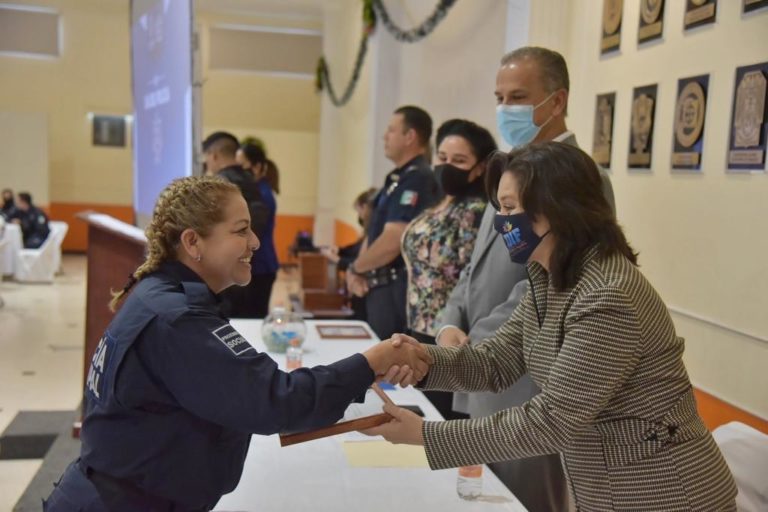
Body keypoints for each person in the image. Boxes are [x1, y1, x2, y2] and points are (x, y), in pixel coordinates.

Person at [368, 142, 738, 512]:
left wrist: (425, 434)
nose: (502, 223)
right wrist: (421, 361)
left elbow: (552, 421)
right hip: (606, 491)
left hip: (668, 494)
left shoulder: (608, 296)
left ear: (558, 209)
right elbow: (495, 362)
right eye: (500, 208)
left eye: (511, 208)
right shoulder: (550, 279)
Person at [44, 176, 431, 511]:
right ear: (193, 242)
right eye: (240, 230)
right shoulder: (178, 319)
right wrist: (371, 361)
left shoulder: (162, 294)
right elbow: (276, 401)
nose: (256, 242)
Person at [433, 46, 616, 511]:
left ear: (556, 102)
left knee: (525, 500)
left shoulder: (578, 176)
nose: (505, 108)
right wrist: (450, 322)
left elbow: (555, 283)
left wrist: (479, 339)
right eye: (499, 96)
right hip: (479, 362)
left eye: (518, 96)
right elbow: (473, 270)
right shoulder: (509, 169)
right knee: (479, 498)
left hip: (525, 378)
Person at [401, 119, 495, 419]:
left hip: (447, 334)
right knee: (419, 414)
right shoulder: (440, 203)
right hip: (418, 325)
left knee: (438, 421)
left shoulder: (475, 211)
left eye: (459, 160)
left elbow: (470, 278)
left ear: (479, 167)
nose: (446, 166)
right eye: (442, 157)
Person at [347, 106, 441, 339]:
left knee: (389, 364)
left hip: (396, 288)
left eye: (391, 131)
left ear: (410, 137)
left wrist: (356, 268)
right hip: (376, 283)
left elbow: (393, 239)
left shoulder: (418, 178)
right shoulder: (396, 178)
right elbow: (373, 231)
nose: (384, 137)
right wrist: (359, 270)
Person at [203, 132, 274, 318]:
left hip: (234, 268)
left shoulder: (220, 185)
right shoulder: (253, 181)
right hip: (254, 265)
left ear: (214, 155)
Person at [234, 141, 280, 318]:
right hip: (258, 266)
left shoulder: (260, 195)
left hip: (261, 267)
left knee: (252, 318)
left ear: (257, 166)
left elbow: (252, 232)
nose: (238, 172)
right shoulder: (256, 191)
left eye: (242, 166)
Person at [321, 188, 378, 321]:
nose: (360, 217)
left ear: (366, 208)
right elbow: (355, 249)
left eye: (359, 211)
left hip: (366, 291)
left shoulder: (375, 232)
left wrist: (338, 259)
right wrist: (339, 250)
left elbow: (362, 261)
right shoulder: (368, 231)